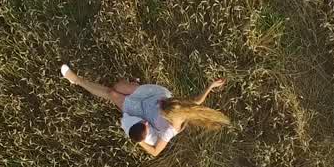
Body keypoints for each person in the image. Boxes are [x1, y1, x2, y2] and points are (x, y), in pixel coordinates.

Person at [61, 64, 229, 156]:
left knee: (112, 93)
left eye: (163, 110)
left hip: (143, 112)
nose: (162, 108)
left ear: (169, 119)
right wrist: (211, 86)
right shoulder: (179, 106)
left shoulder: (169, 130)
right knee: (118, 85)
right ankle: (134, 84)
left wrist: (139, 139)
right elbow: (197, 101)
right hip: (153, 95)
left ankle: (76, 80)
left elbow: (156, 152)